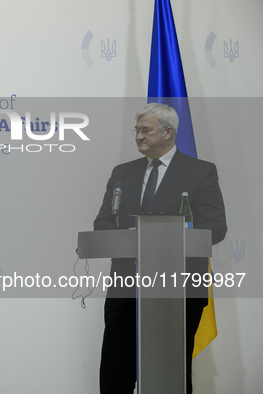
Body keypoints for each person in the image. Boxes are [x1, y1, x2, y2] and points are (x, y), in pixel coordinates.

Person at [93, 103, 226, 393]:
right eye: (136, 130)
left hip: (178, 290)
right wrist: (128, 236)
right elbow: (102, 224)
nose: (138, 137)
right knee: (116, 371)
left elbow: (216, 228)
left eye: (146, 130)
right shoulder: (123, 173)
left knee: (171, 374)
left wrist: (165, 237)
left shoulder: (200, 172)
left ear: (168, 132)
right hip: (126, 288)